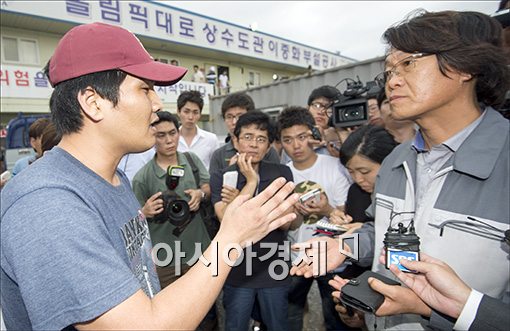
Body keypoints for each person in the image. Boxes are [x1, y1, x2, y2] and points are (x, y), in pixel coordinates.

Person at [0, 22, 299, 330]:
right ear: (93, 103)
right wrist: (232, 238)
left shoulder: (113, 178)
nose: (157, 104)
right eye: (145, 89)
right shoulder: (47, 204)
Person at [292, 10, 509, 330]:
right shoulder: (396, 161)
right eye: (389, 70)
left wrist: (452, 309)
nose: (392, 80)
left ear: (465, 66)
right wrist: (345, 246)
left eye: (408, 63)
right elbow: (381, 231)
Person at [210, 111, 294, 331]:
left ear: (268, 147)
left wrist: (237, 200)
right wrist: (251, 181)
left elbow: (285, 221)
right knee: (235, 325)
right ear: (236, 141)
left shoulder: (282, 173)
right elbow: (226, 221)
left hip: (273, 266)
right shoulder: (222, 175)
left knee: (278, 326)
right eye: (247, 137)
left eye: (261, 139)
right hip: (237, 269)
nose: (253, 144)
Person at [277, 106, 352, 331]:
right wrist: (298, 212)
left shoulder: (335, 166)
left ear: (312, 134)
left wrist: (326, 209)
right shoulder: (282, 174)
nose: (296, 145)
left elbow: (346, 217)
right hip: (296, 255)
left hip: (331, 254)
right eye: (288, 140)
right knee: (290, 314)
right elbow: (287, 226)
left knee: (336, 317)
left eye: (301, 137)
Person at [330, 251, 510, 331]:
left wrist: (423, 306)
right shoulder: (388, 175)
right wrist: (346, 246)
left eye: (363, 170)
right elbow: (372, 226)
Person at [209, 92, 280, 176]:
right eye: (229, 117)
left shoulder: (267, 151)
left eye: (240, 116)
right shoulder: (218, 155)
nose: (234, 122)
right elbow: (215, 186)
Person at [176, 90, 219, 170]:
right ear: (178, 112)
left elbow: (215, 169)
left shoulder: (211, 139)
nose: (190, 117)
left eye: (195, 112)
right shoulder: (171, 139)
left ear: (200, 114)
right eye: (186, 112)